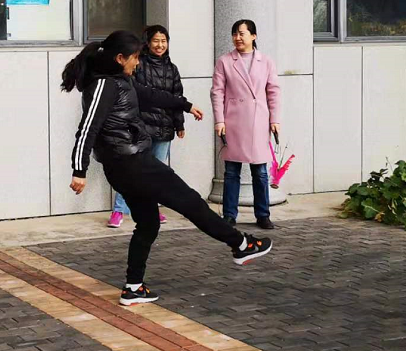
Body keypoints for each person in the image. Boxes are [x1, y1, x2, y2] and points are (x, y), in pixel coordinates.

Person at [64, 30, 273, 306]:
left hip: (127, 165)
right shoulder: (104, 85)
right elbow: (87, 129)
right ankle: (241, 244)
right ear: (120, 58)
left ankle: (133, 288)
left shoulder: (121, 81)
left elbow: (151, 95)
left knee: (148, 223)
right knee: (191, 202)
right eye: (135, 57)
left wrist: (185, 105)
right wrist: (79, 170)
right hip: (133, 164)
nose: (138, 62)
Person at [108, 25, 185, 228]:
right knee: (131, 170)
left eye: (164, 41)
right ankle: (119, 210)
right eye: (156, 41)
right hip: (141, 127)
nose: (160, 45)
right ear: (148, 43)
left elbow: (177, 97)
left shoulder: (172, 69)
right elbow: (133, 94)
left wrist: (179, 124)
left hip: (164, 127)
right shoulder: (138, 65)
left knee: (155, 173)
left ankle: (152, 209)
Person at [211, 19, 281, 230]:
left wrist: (275, 119)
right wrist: (219, 120)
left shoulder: (265, 61)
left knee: (260, 172)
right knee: (231, 171)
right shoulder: (225, 61)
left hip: (258, 121)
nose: (238, 38)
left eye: (242, 33)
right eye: (235, 34)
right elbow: (217, 92)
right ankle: (229, 215)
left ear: (253, 36)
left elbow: (273, 91)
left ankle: (263, 214)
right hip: (233, 120)